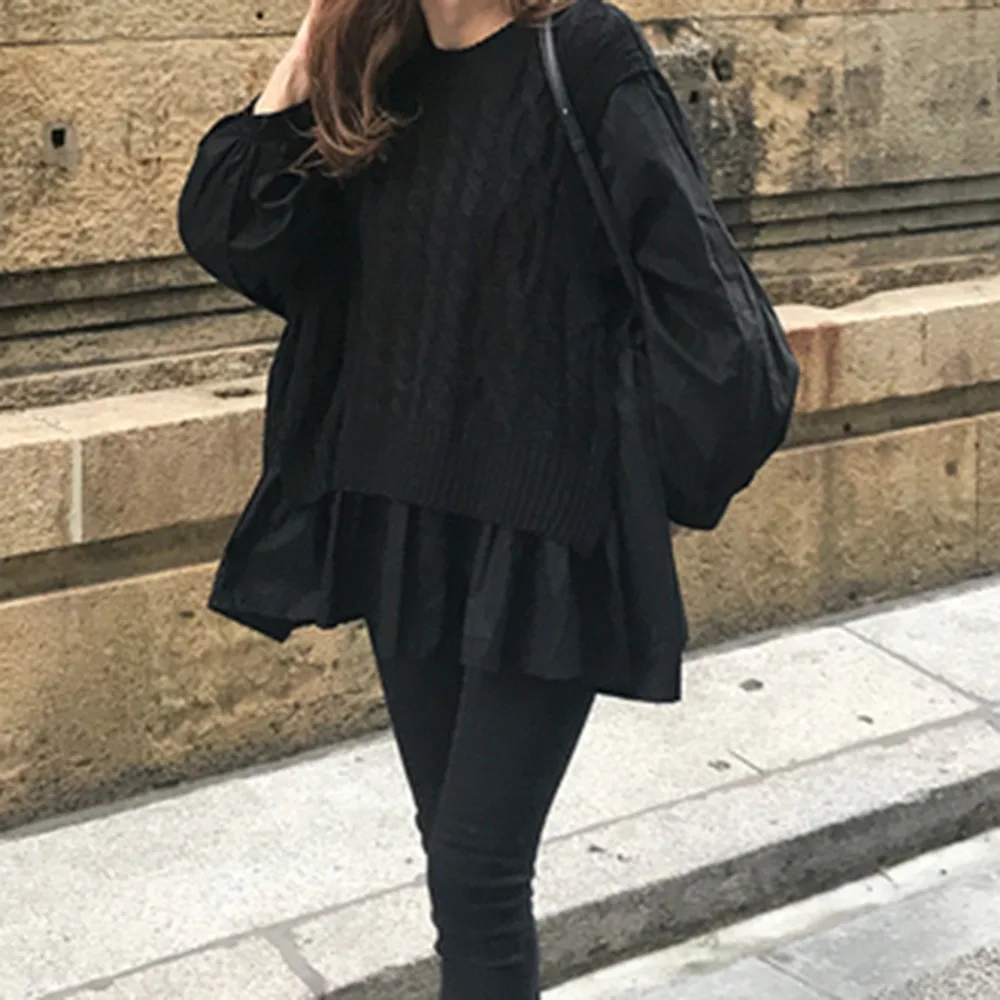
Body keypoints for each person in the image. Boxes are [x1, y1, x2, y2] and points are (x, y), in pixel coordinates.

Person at [177, 0, 779, 995]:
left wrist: (656, 488)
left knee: (477, 871)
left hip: (544, 536)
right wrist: (318, 38)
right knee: (453, 853)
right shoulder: (380, 76)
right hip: (403, 519)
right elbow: (235, 226)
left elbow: (702, 295)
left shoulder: (582, 52)